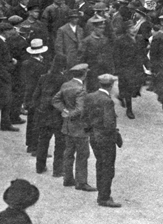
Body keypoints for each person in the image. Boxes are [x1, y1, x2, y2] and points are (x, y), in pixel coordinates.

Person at [52, 63, 95, 192]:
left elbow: (55, 100)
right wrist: (71, 114)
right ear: (84, 74)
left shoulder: (66, 85)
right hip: (79, 127)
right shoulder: (81, 90)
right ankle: (81, 182)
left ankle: (68, 178)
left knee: (68, 153)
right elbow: (80, 109)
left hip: (67, 126)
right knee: (82, 154)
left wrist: (64, 111)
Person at [83, 74, 123, 208]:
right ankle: (104, 197)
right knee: (107, 169)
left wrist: (90, 131)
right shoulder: (107, 101)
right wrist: (116, 136)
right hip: (105, 139)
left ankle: (102, 194)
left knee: (100, 165)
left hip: (94, 137)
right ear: (111, 86)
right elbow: (109, 124)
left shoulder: (90, 96)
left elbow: (84, 117)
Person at [33, 55, 67, 176]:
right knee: (60, 143)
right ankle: (58, 170)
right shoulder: (64, 80)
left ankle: (40, 167)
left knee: (43, 140)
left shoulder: (43, 78)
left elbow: (36, 96)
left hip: (43, 114)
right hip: (57, 115)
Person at [21, 39, 49, 155]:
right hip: (38, 96)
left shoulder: (26, 63)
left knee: (31, 121)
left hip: (29, 96)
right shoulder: (40, 66)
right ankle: (35, 147)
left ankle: (30, 143)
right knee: (38, 122)